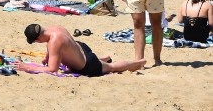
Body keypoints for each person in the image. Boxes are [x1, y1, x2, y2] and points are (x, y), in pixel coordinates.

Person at [16, 24, 145, 76]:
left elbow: (52, 69)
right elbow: (53, 45)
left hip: (87, 64)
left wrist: (27, 67)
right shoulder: (54, 29)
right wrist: (47, 56)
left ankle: (138, 62)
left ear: (38, 39)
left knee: (112, 67)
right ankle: (104, 58)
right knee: (101, 62)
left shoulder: (54, 42)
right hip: (82, 48)